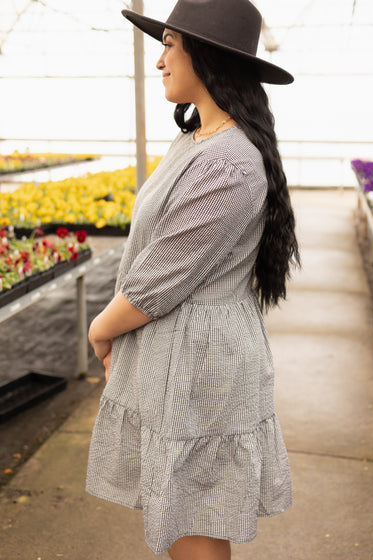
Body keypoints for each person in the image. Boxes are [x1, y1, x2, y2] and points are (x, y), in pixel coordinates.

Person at [86, 0, 300, 558]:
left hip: (200, 366)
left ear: (204, 56)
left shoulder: (229, 160)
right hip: (180, 354)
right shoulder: (197, 141)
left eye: (169, 45)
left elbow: (161, 278)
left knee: (195, 518)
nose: (160, 61)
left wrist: (101, 328)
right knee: (181, 509)